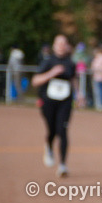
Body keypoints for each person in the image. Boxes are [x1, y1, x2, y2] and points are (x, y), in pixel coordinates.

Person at [33, 35, 77, 177]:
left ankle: (63, 165)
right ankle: (49, 146)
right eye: (58, 43)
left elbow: (73, 79)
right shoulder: (48, 61)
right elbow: (35, 81)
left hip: (65, 102)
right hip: (48, 102)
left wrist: (79, 94)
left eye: (64, 43)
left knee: (62, 130)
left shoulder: (70, 63)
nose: (61, 46)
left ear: (67, 46)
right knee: (52, 130)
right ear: (54, 45)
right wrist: (52, 73)